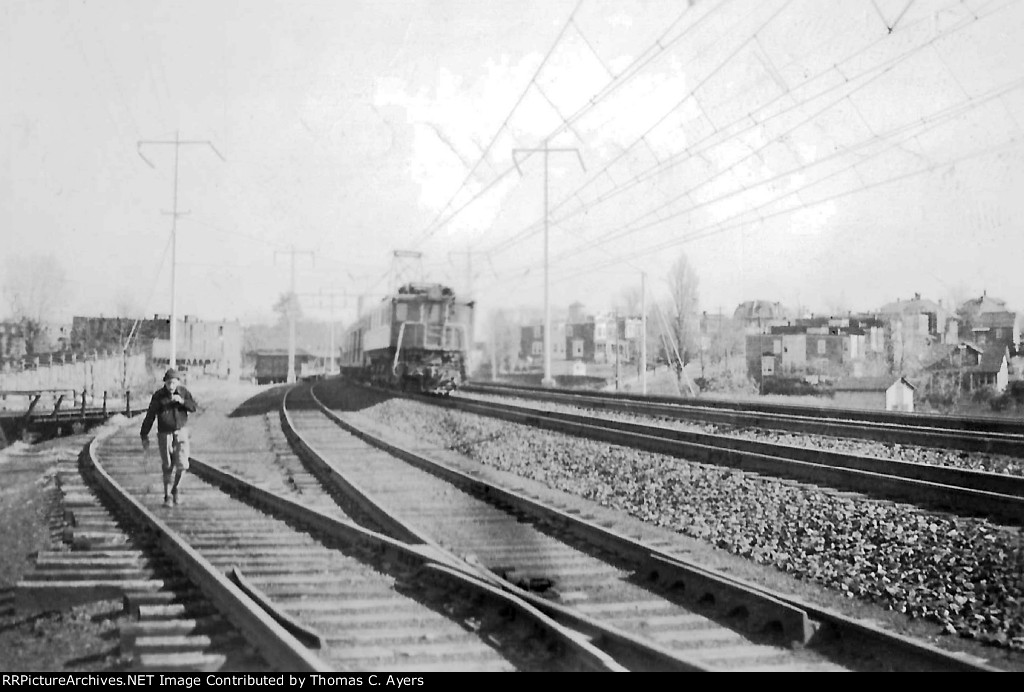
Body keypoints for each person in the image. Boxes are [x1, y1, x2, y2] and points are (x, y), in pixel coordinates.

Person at [140, 368, 197, 506]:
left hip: (181, 431)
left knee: (183, 464)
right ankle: (167, 496)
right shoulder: (159, 396)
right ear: (165, 383)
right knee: (168, 465)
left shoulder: (184, 392)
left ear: (178, 382)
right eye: (168, 383)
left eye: (174, 383)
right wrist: (144, 434)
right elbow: (150, 415)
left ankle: (175, 488)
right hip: (164, 434)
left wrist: (182, 402)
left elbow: (193, 407)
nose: (171, 386)